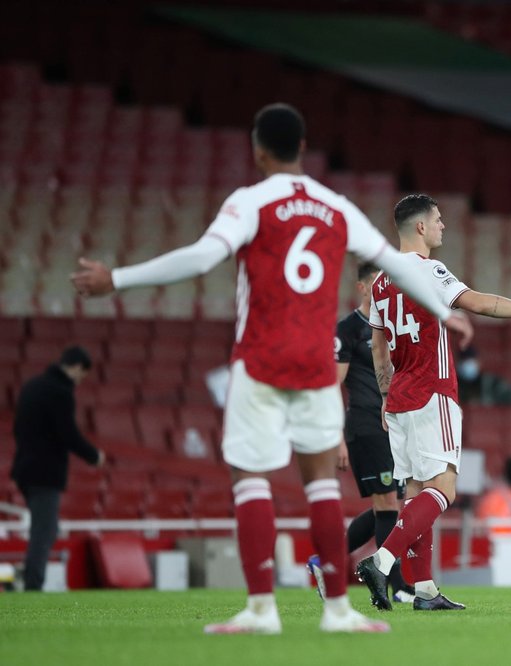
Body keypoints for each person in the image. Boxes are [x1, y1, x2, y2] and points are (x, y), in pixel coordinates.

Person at [70, 103, 473, 634]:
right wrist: (448, 313)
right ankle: (338, 611)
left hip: (260, 358)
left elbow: (199, 258)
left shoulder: (249, 202)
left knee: (250, 479)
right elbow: (399, 264)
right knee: (321, 487)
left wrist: (116, 279)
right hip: (312, 363)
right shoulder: (336, 207)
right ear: (303, 149)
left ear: (258, 150)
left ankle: (261, 609)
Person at [355, 194, 511, 611]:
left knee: (417, 493)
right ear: (419, 227)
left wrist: (384, 396)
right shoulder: (428, 270)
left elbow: (378, 346)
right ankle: (381, 561)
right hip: (432, 391)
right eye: (438, 220)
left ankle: (424, 591)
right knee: (444, 489)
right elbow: (481, 303)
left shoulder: (382, 281)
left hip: (400, 397)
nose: (443, 226)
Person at [307, 262, 414, 603]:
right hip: (365, 427)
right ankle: (397, 587)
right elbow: (330, 387)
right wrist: (336, 437)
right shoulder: (348, 331)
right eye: (377, 285)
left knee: (390, 503)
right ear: (364, 288)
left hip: (392, 426)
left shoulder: (391, 328)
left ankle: (326, 561)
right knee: (386, 504)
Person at [10, 346, 104, 591]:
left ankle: (30, 578)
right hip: (44, 471)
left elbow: (18, 428)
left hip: (24, 467)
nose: (80, 381)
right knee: (45, 530)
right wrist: (94, 456)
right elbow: (68, 434)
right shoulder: (59, 392)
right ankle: (32, 584)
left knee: (44, 527)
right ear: (76, 367)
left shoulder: (32, 386)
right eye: (82, 375)